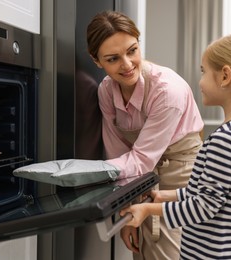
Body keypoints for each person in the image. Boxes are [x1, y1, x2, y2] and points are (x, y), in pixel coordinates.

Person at [120, 31, 231, 259]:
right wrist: (165, 196)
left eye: (203, 71)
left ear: (225, 76)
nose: (200, 81)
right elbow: (207, 192)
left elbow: (204, 205)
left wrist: (148, 209)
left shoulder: (228, 139)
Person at [86, 11, 204, 260]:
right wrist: (128, 213)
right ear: (96, 61)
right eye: (113, 58)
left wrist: (84, 172)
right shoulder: (106, 91)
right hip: (139, 169)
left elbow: (139, 160)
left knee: (168, 252)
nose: (127, 65)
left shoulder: (166, 92)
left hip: (179, 171)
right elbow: (118, 152)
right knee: (141, 252)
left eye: (132, 50)